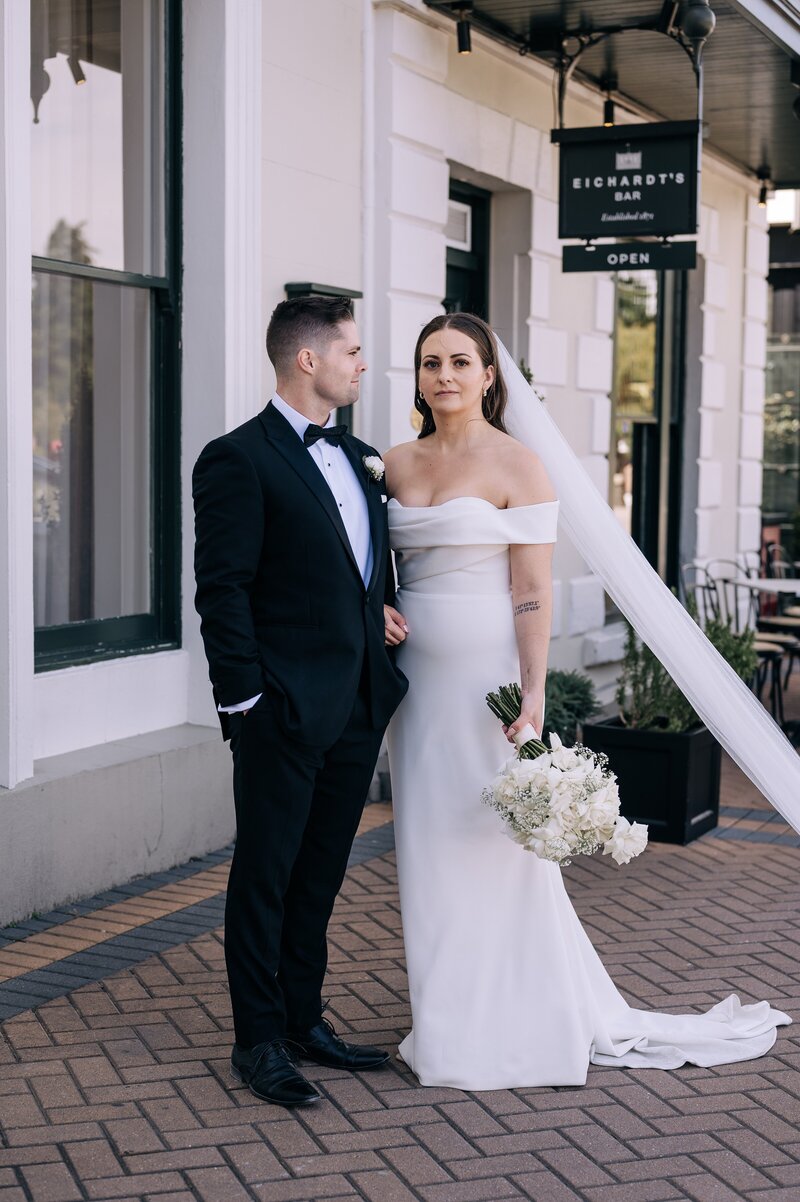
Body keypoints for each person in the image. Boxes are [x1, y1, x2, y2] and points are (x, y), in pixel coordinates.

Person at [383, 312, 790, 1090]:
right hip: (416, 694)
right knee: (428, 848)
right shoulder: (396, 465)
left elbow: (532, 591)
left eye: (460, 362)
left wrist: (533, 694)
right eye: (430, 361)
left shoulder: (519, 465)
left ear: (489, 375)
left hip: (488, 690)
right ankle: (444, 1015)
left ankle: (514, 1018)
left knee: (494, 847)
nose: (444, 376)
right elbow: (369, 572)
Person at [193, 295, 407, 1107]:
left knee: (320, 873)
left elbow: (349, 572)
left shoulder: (360, 458)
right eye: (352, 350)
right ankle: (256, 1042)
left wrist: (373, 612)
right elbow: (224, 592)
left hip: (356, 706)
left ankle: (301, 1017)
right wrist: (245, 704)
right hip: (279, 712)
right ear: (308, 360)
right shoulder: (235, 459)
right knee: (266, 875)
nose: (362, 363)